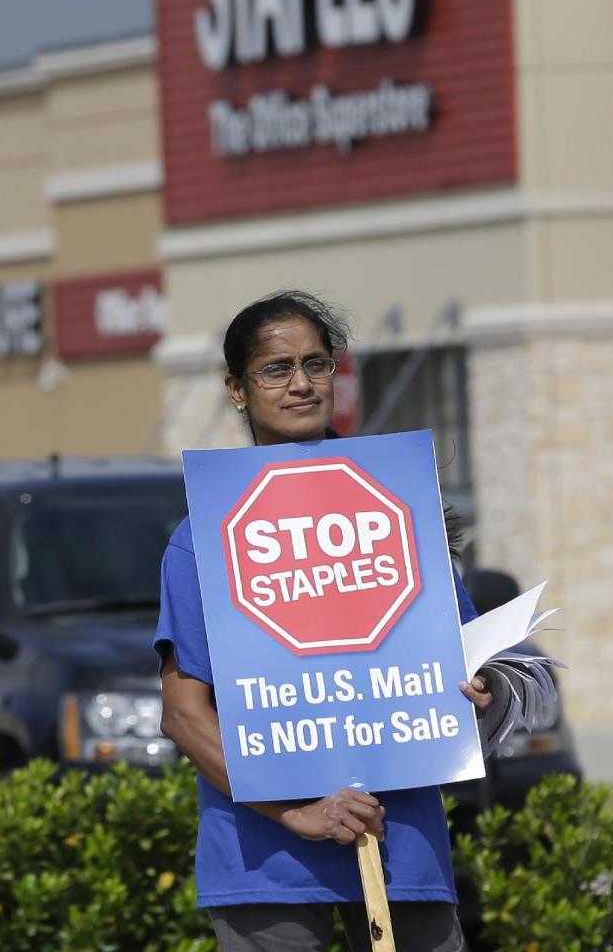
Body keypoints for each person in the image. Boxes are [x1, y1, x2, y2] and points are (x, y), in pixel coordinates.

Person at [155, 290, 492, 952]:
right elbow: (185, 715)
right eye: (276, 368)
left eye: (317, 363)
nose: (302, 383)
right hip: (266, 863)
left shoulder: (398, 508)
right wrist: (297, 813)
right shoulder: (202, 540)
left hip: (402, 848)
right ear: (237, 389)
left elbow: (477, 659)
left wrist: (487, 687)